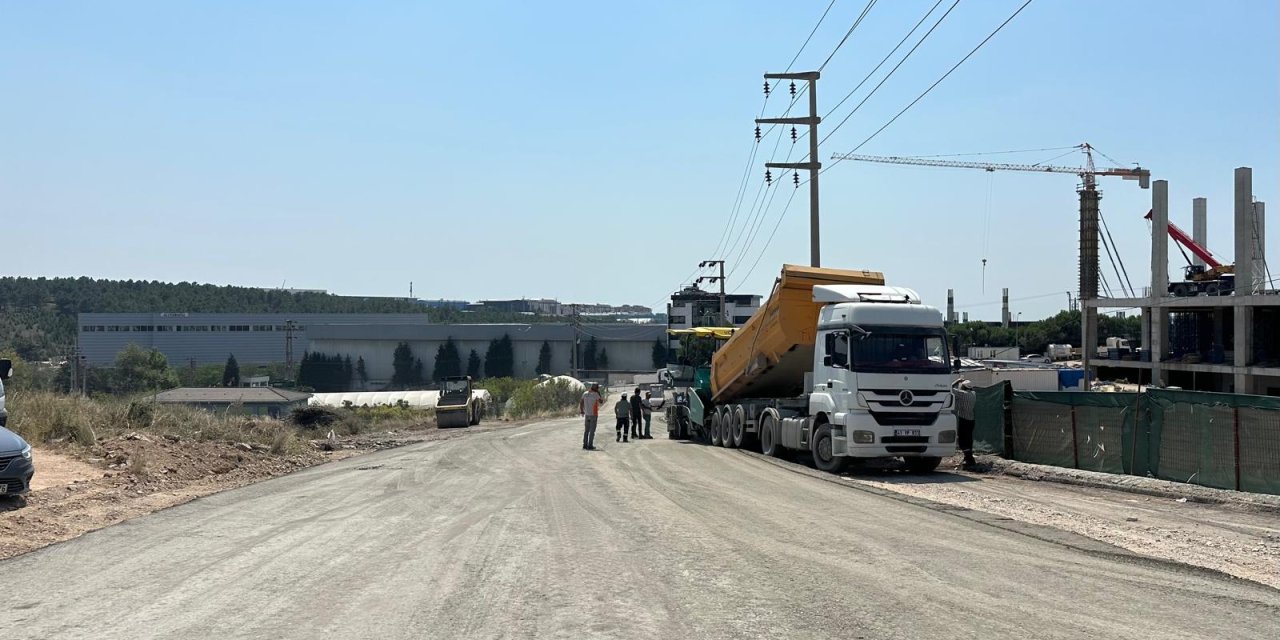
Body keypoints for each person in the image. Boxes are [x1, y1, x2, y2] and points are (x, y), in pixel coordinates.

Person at [952, 379, 978, 469]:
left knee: (962, 441)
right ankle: (968, 458)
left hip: (964, 420)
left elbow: (950, 388)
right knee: (969, 440)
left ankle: (970, 459)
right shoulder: (973, 394)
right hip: (971, 420)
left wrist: (957, 381)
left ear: (964, 387)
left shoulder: (963, 394)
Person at [579, 383, 603, 450]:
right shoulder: (595, 394)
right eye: (597, 388)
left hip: (587, 414)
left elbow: (581, 402)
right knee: (592, 431)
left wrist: (582, 411)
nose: (598, 389)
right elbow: (601, 401)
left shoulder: (585, 393)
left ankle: (585, 445)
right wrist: (599, 393)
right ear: (595, 388)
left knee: (586, 430)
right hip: (593, 414)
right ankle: (590, 445)